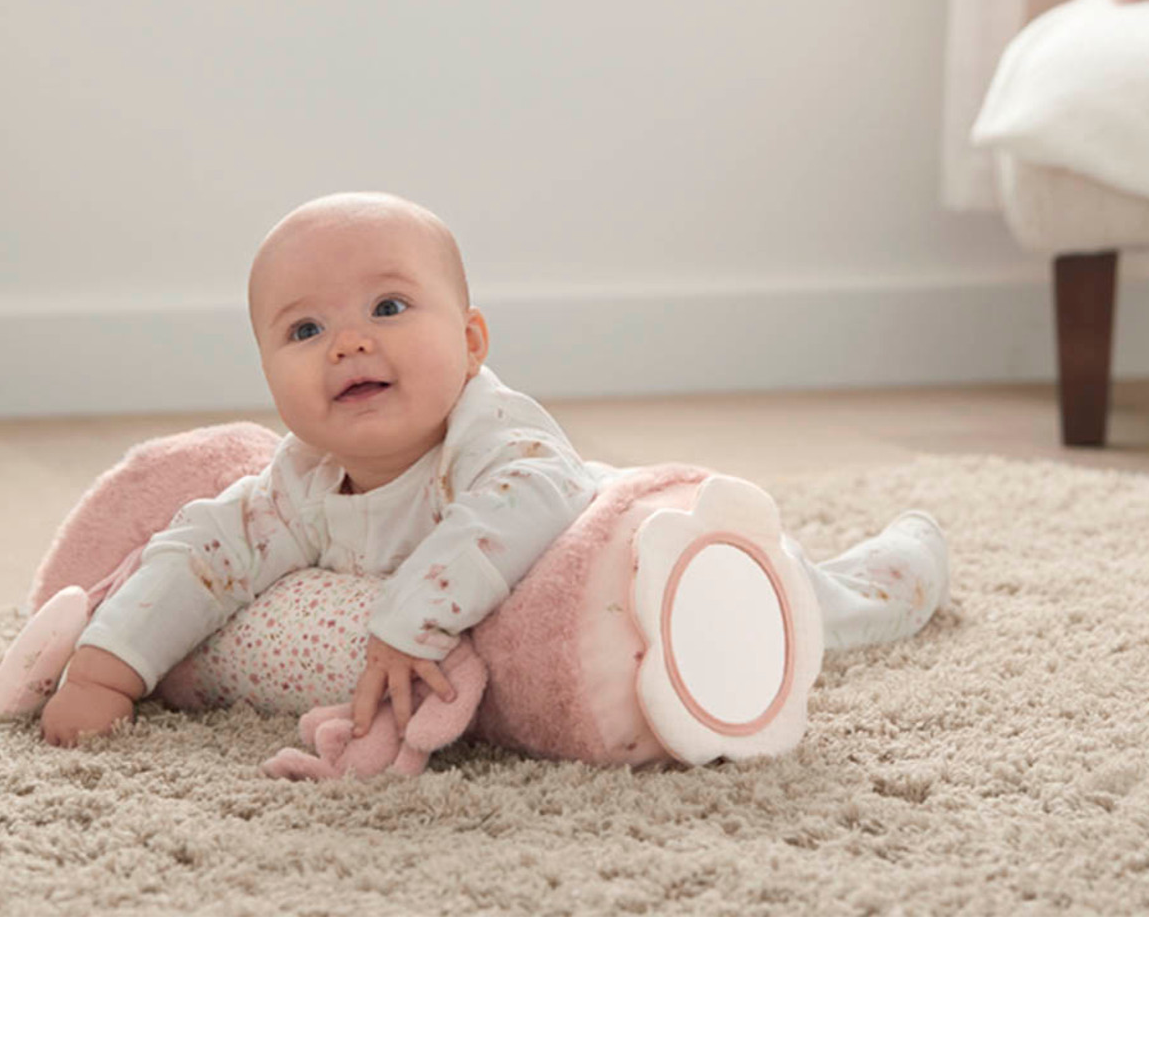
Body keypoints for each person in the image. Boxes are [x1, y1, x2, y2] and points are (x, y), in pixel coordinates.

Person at [39, 191, 950, 748]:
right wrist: (108, 668)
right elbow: (199, 553)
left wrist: (409, 619)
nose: (349, 340)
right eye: (304, 329)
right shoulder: (300, 482)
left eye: (389, 305)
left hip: (657, 556)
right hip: (568, 626)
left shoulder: (498, 434)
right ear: (267, 372)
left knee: (814, 603)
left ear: (470, 342)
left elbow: (531, 501)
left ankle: (897, 570)